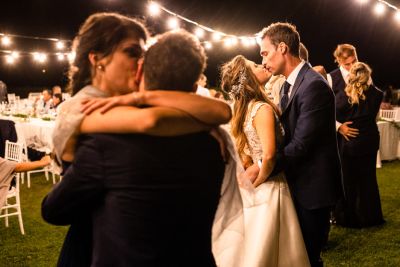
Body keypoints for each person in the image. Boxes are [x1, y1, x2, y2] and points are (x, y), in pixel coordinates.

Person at [43, 29, 226, 266]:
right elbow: (222, 111)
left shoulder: (107, 143)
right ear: (194, 88)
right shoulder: (213, 139)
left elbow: (54, 210)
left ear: (140, 71)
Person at [258, 22, 342, 267]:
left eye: (265, 52)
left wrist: (265, 166)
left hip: (313, 188)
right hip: (296, 181)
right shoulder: (288, 84)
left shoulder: (313, 85)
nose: (263, 60)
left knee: (308, 257)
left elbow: (302, 144)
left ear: (282, 48)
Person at [220, 55, 309, 266]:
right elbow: (269, 154)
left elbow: (245, 154)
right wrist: (259, 181)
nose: (263, 66)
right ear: (248, 78)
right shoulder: (262, 108)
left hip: (257, 178)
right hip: (270, 183)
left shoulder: (243, 111)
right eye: (256, 66)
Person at [333, 62, 385, 228]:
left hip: (349, 141)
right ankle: (371, 217)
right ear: (367, 75)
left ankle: (350, 218)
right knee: (368, 179)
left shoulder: (342, 95)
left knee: (348, 180)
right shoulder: (377, 94)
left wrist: (340, 127)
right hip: (369, 140)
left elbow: (332, 115)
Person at [327, 44, 360, 142]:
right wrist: (339, 127)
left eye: (354, 61)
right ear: (339, 61)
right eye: (347, 64)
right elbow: (324, 109)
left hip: (361, 135)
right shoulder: (330, 78)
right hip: (340, 137)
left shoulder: (364, 75)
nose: (352, 67)